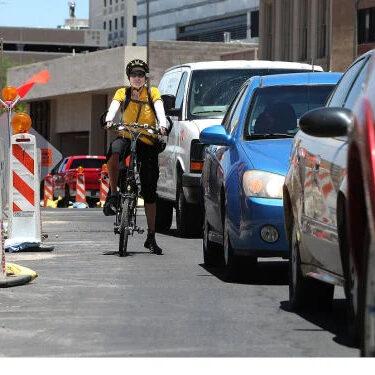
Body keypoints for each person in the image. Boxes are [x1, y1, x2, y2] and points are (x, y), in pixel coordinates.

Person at [103, 59, 169, 255]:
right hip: (126, 135)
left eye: (141, 75)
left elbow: (159, 108)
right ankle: (114, 192)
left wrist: (162, 124)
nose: (137, 78)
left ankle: (151, 236)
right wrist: (109, 119)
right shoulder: (122, 93)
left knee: (150, 191)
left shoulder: (152, 92)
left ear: (145, 77)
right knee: (114, 151)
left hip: (147, 140)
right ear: (129, 77)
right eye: (134, 75)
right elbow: (114, 107)